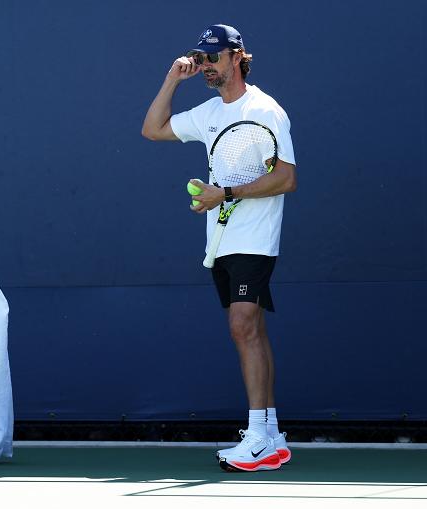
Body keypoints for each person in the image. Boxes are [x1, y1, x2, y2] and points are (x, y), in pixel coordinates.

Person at [141, 24, 297, 472]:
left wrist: (223, 193)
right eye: (201, 58)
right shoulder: (210, 112)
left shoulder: (266, 109)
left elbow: (287, 178)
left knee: (242, 326)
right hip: (222, 239)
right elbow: (152, 129)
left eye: (214, 58)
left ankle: (257, 435)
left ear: (237, 57)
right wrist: (173, 78)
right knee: (251, 331)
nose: (206, 65)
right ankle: (268, 433)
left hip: (255, 236)